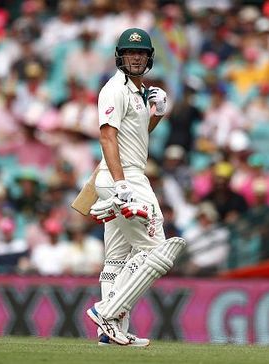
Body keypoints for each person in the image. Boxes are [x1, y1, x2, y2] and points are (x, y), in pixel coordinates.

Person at [86, 28, 186, 347]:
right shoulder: (113, 89)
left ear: (149, 57)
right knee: (158, 250)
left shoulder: (138, 92)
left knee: (117, 258)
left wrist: (156, 113)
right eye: (131, 53)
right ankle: (108, 311)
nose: (136, 57)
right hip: (124, 178)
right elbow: (107, 136)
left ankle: (110, 333)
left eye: (141, 53)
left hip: (129, 175)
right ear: (120, 56)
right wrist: (120, 184)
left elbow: (137, 136)